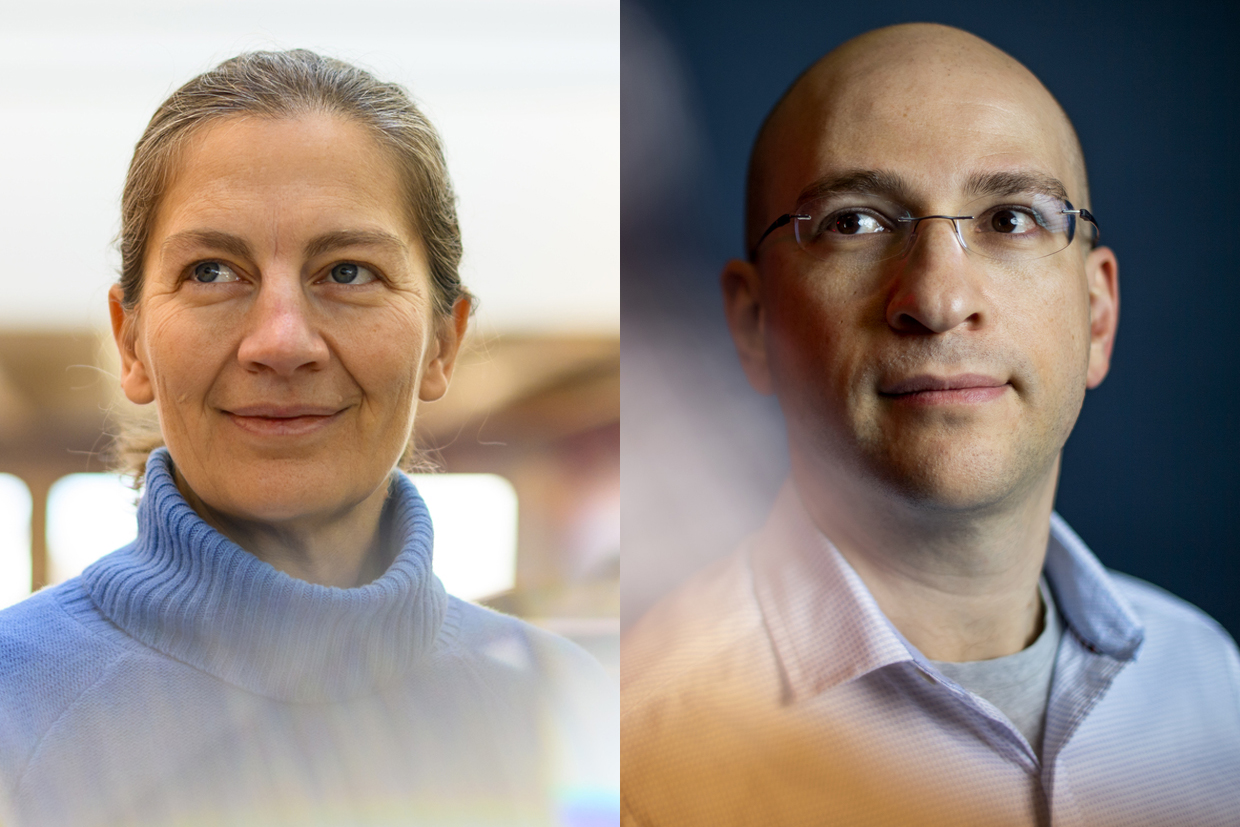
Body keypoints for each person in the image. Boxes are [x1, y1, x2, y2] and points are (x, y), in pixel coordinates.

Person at [621, 23, 1240, 827]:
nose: (941, 300)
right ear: (752, 323)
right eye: (854, 223)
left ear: (1097, 314)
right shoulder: (633, 746)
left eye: (1011, 219)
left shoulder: (1207, 678)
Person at [0, 50, 617, 827]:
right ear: (131, 345)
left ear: (442, 343)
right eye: (214, 270)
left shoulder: (574, 713)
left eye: (348, 272)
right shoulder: (13, 702)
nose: (282, 340)